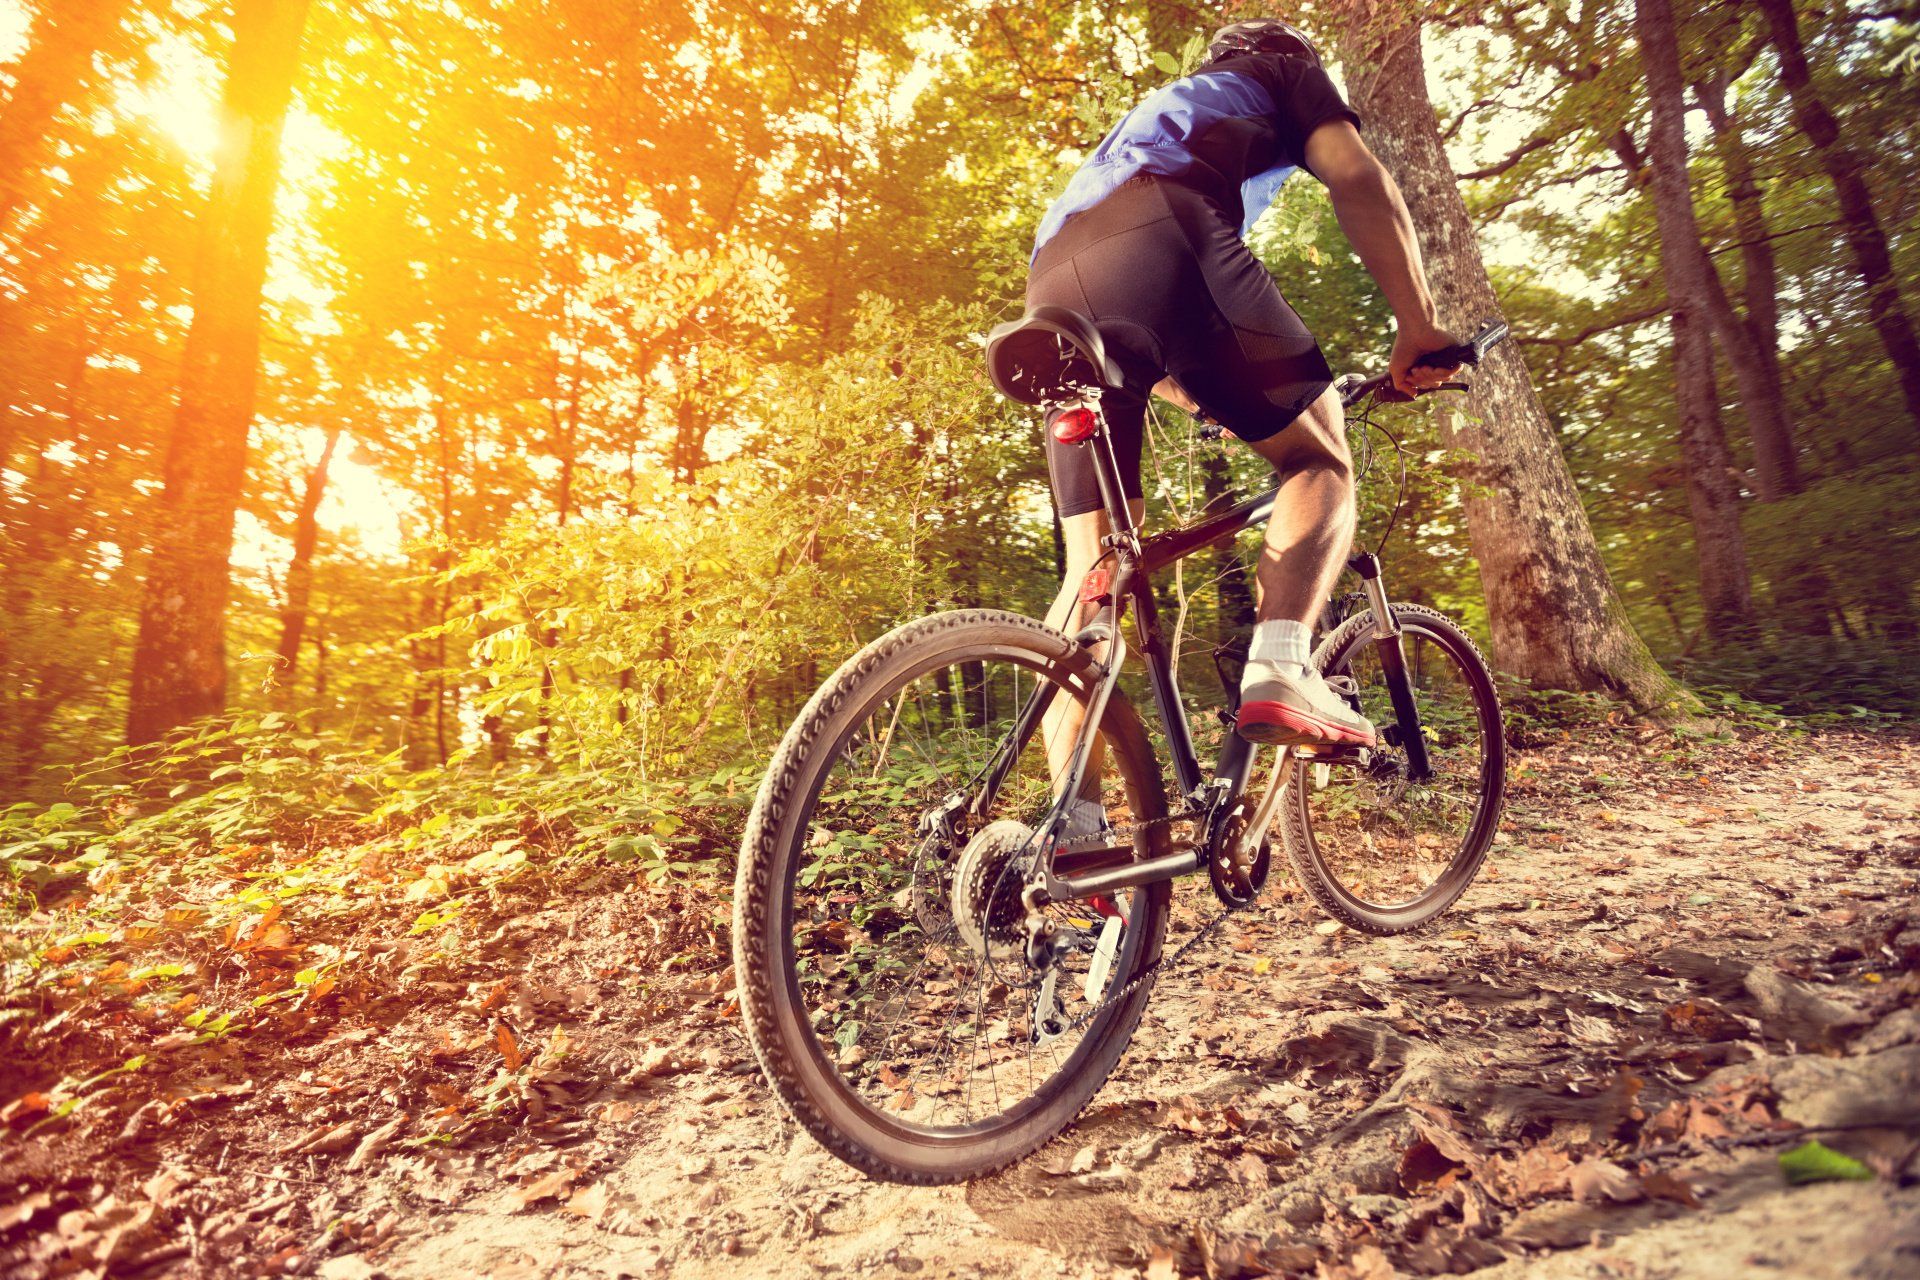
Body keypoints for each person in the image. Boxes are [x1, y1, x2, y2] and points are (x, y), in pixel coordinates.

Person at [1024, 18, 1464, 839]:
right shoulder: (1282, 73)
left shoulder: (1161, 115)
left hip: (1051, 280)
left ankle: (1072, 832)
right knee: (1319, 463)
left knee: (1093, 571)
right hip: (1162, 226)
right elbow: (1357, 177)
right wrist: (1419, 325)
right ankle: (1283, 665)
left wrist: (1208, 399)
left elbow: (1140, 302)